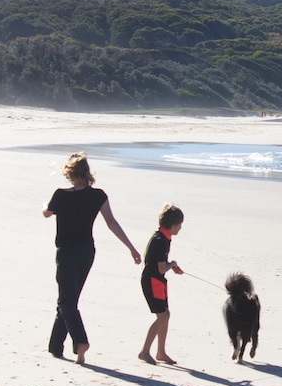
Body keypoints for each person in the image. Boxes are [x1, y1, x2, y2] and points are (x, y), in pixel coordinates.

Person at [43, 153, 142, 364]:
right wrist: (131, 248)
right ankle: (55, 346)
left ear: (69, 173)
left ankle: (80, 341)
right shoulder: (98, 195)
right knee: (70, 299)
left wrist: (46, 204)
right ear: (87, 173)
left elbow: (46, 213)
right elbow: (112, 222)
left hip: (67, 252)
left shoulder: (61, 194)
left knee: (66, 300)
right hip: (87, 252)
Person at [139, 203, 185, 365]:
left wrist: (171, 266)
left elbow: (159, 263)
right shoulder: (161, 241)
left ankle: (161, 352)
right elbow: (161, 268)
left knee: (166, 314)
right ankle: (145, 351)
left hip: (156, 279)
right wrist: (171, 264)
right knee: (162, 316)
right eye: (179, 225)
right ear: (172, 225)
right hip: (153, 281)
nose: (180, 228)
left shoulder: (161, 236)